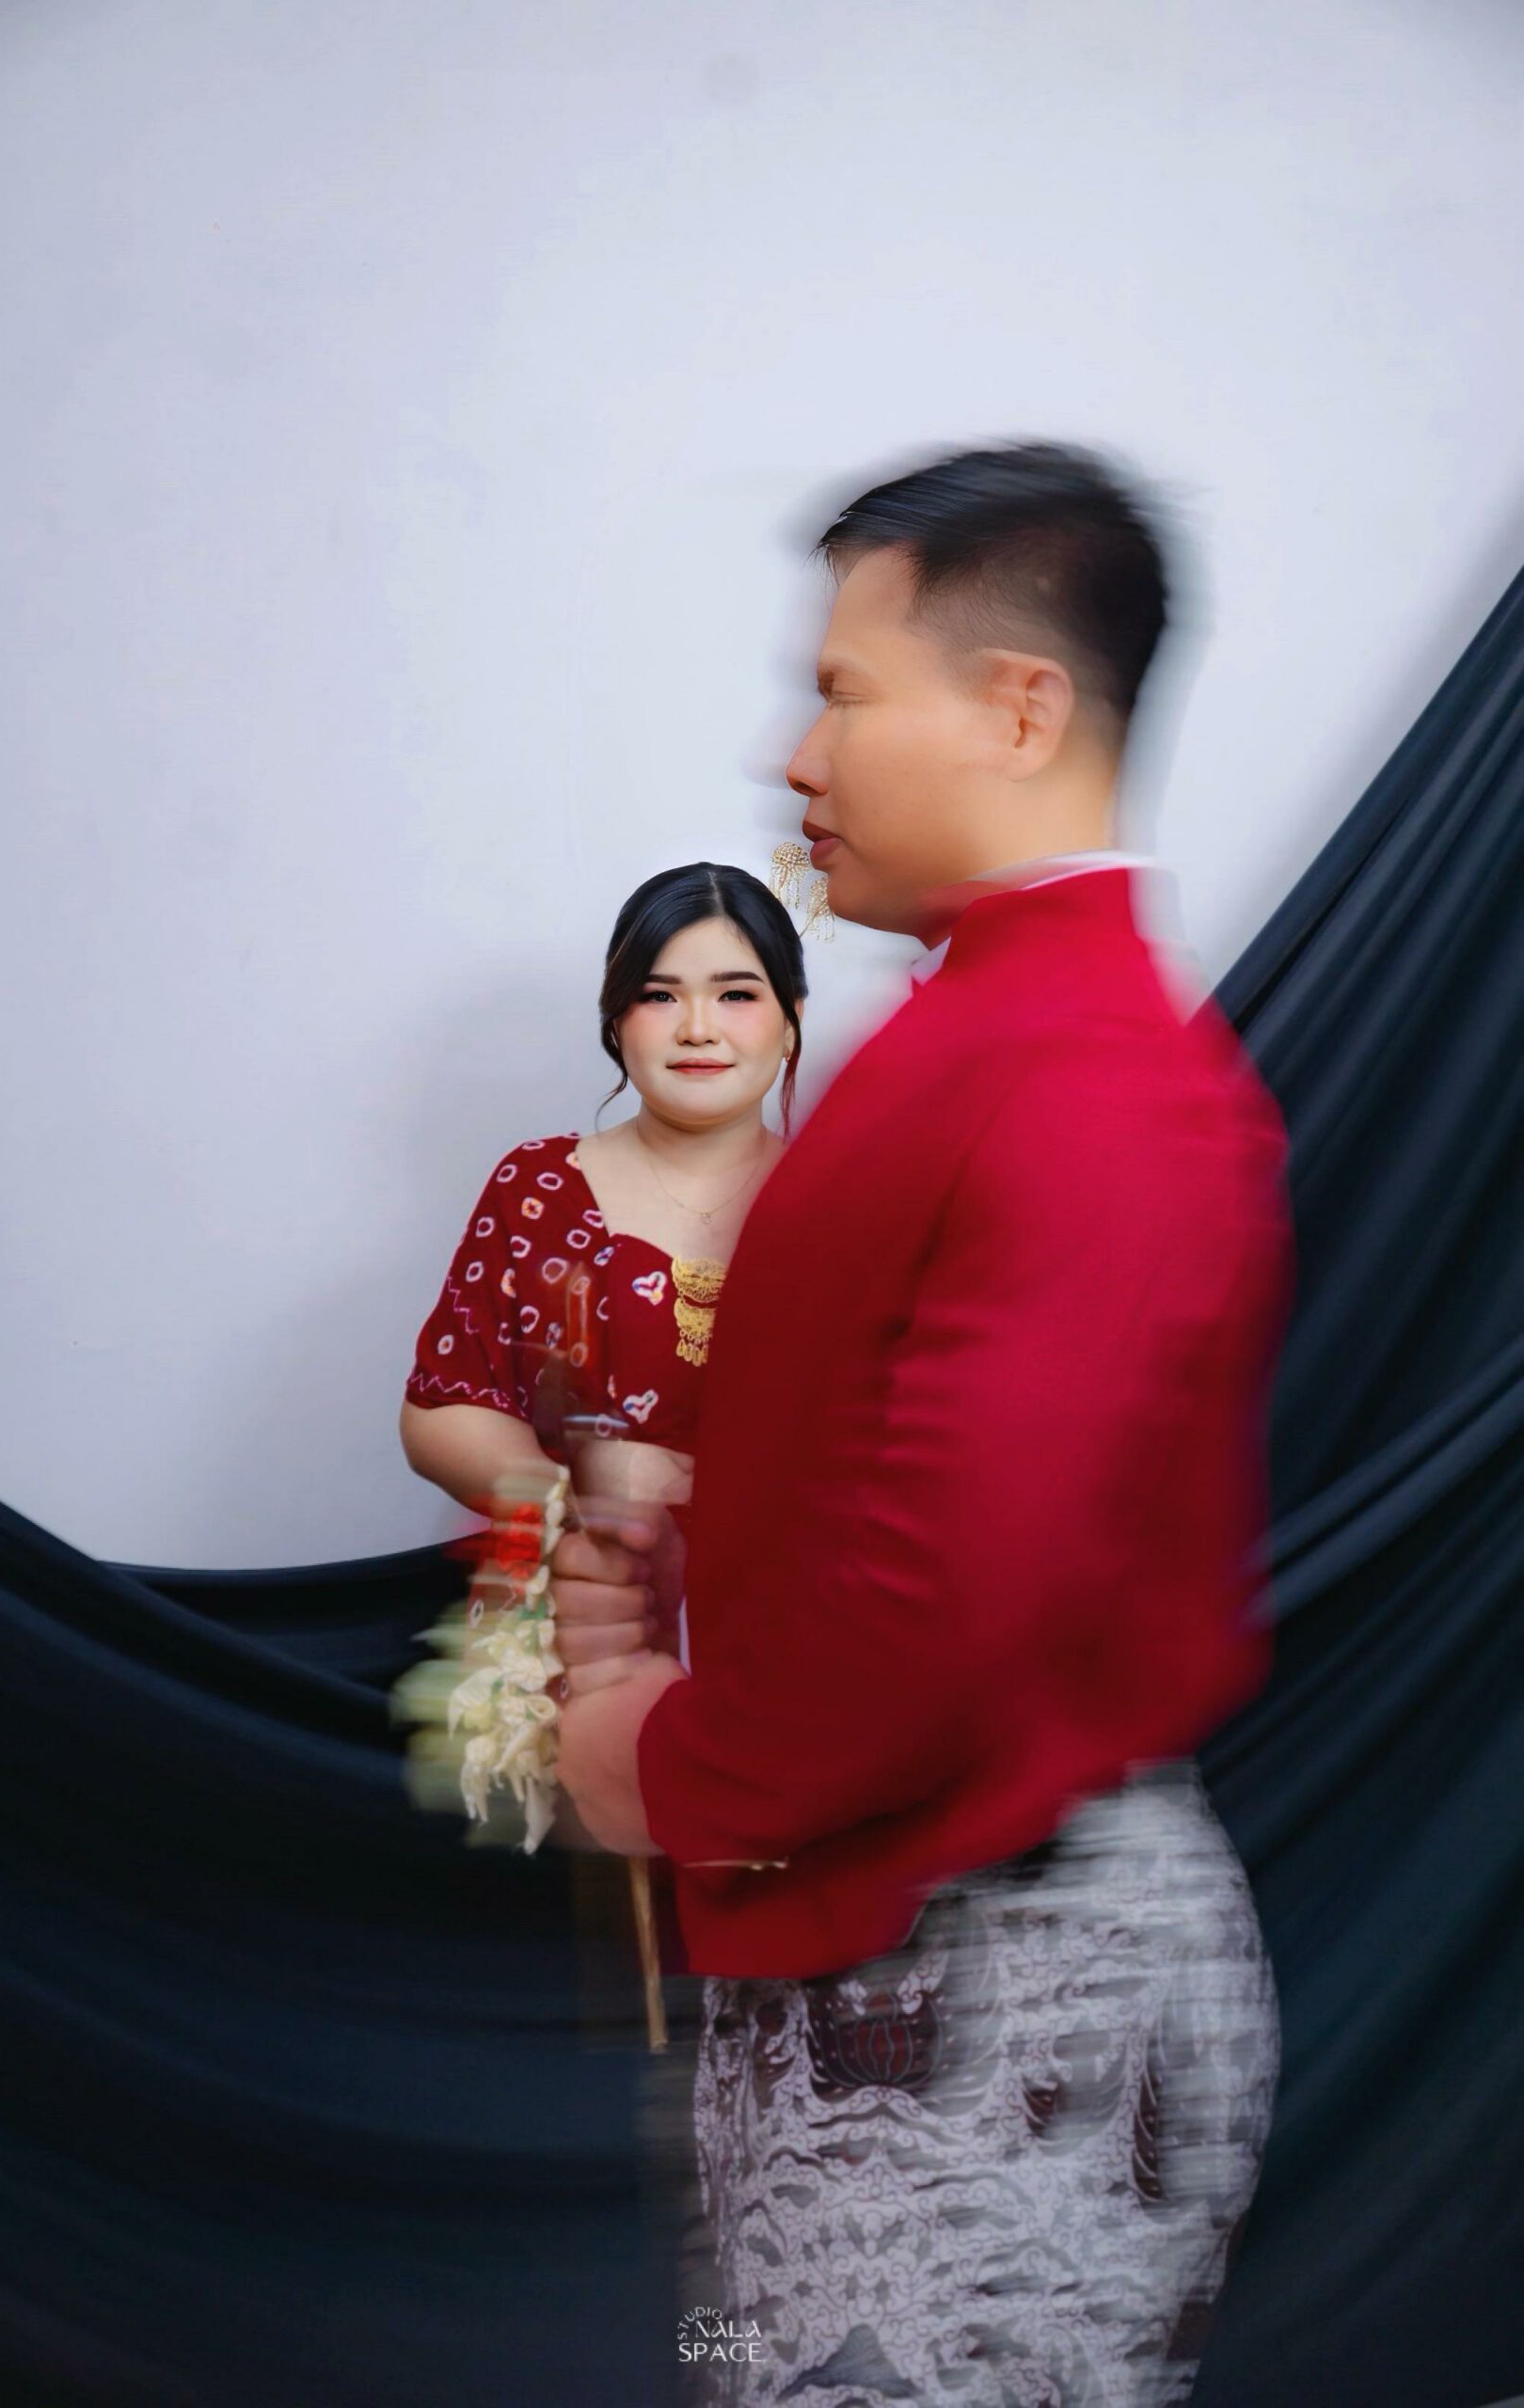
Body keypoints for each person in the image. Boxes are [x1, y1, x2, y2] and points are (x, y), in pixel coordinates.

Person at [553, 445, 1296, 2404]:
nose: (795, 756)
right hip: (905, 1956)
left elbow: (955, 1593)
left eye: (844, 692)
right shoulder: (993, 1035)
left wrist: (661, 1759)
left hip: (982, 1988)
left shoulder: (1089, 1074)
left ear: (1018, 706)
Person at [400, 861, 808, 1672]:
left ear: (792, 1019)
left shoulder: (847, 1198)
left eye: (737, 994)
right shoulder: (536, 1186)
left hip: (784, 1632)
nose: (698, 1028)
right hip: (570, 1631)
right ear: (615, 1020)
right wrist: (587, 1488)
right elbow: (441, 1411)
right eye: (660, 996)